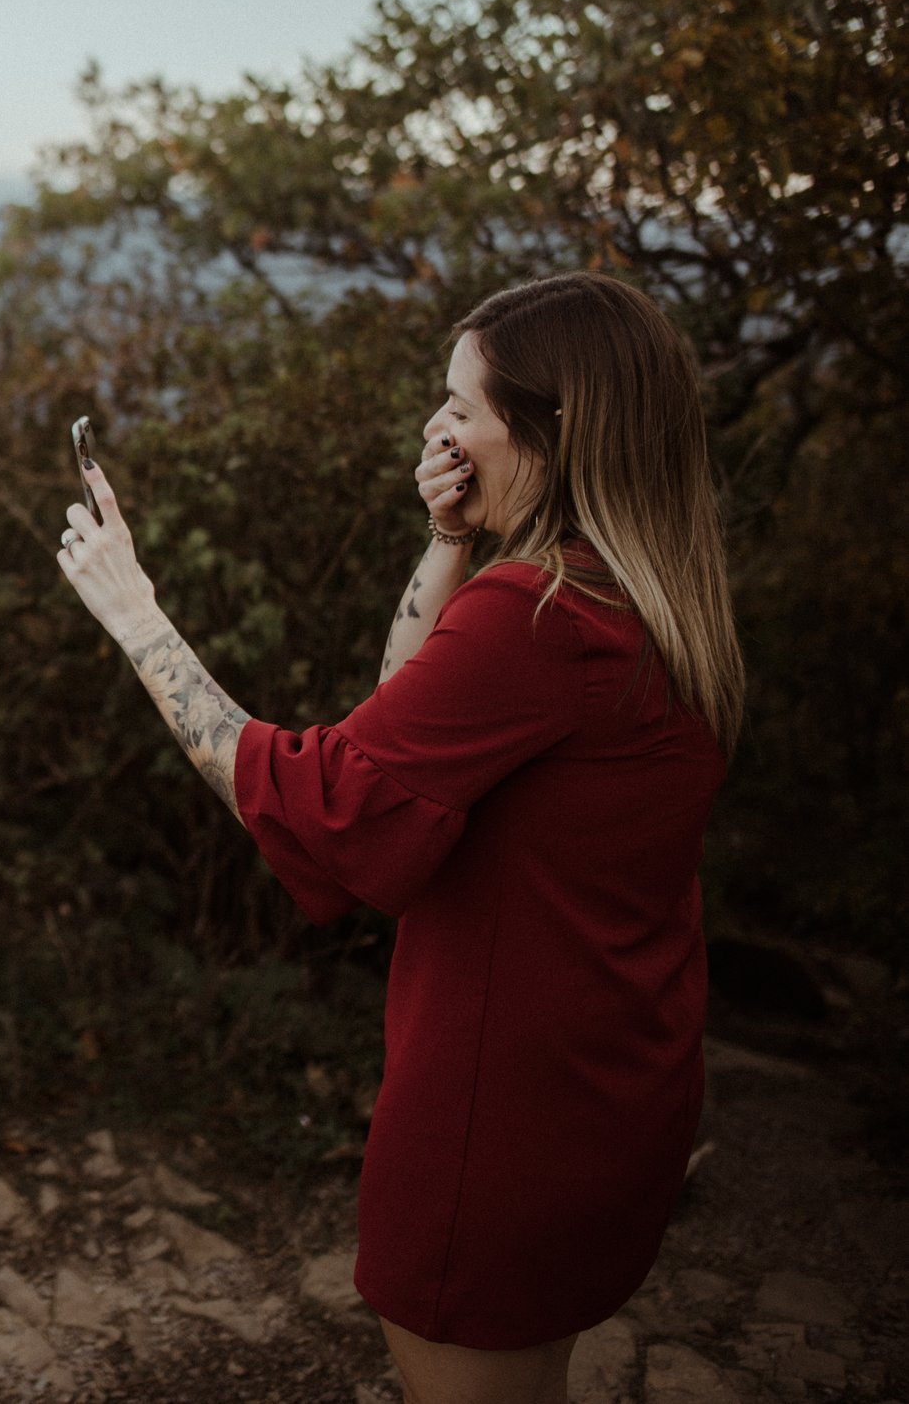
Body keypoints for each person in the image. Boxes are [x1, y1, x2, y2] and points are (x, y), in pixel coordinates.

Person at [50, 272, 741, 1404]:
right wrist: (446, 538)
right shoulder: (642, 594)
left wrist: (135, 615)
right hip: (611, 1076)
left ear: (547, 428)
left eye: (462, 406)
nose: (438, 428)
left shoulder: (542, 619)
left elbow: (326, 798)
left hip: (501, 1119)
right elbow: (401, 730)